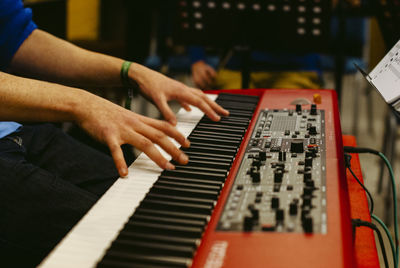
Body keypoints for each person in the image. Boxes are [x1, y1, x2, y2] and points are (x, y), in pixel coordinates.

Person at [0, 0, 228, 266]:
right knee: (127, 244)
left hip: (14, 130)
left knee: (154, 210)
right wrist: (82, 104)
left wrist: (131, 71)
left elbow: (16, 37)